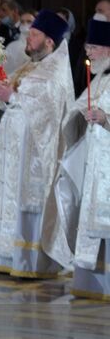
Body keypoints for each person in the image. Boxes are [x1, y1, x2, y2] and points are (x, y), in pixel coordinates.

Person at [0, 9, 77, 277]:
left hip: (32, 154)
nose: (28, 39)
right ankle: (3, 255)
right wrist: (2, 94)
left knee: (23, 200)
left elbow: (50, 108)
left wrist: (14, 97)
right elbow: (11, 93)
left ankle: (27, 261)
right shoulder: (30, 66)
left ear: (49, 42)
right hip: (12, 151)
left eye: (34, 35)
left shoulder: (55, 73)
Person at [58, 18, 110, 298]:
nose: (88, 52)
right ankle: (90, 281)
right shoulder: (99, 78)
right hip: (95, 164)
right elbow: (77, 113)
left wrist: (106, 120)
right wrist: (80, 118)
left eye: (93, 47)